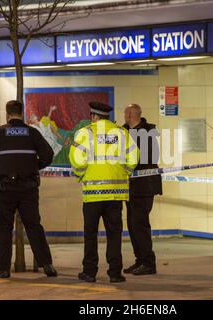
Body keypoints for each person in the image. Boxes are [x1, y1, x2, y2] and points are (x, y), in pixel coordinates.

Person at [0, 100, 57, 278]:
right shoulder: (32, 132)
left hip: (4, 187)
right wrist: (32, 167)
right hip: (28, 187)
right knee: (34, 226)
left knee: (4, 228)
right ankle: (47, 265)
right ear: (22, 113)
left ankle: (3, 269)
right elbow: (48, 155)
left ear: (7, 114)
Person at [69, 101, 138, 283]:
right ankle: (115, 273)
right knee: (114, 234)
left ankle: (90, 272)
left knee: (90, 234)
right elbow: (133, 159)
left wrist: (83, 175)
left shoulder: (86, 133)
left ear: (94, 116)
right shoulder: (122, 133)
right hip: (115, 195)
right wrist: (124, 172)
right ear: (107, 117)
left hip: (92, 195)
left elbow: (76, 161)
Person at [123, 104, 162, 276]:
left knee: (140, 224)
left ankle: (148, 262)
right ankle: (140, 260)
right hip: (129, 186)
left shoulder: (148, 132)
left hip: (144, 186)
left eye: (126, 112)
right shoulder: (123, 131)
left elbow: (149, 158)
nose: (124, 115)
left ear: (131, 114)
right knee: (132, 225)